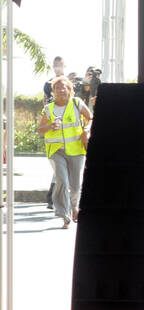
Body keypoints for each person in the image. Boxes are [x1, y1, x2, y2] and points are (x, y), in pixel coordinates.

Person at [37, 76, 92, 230]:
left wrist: (86, 130)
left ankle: (75, 208)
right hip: (56, 151)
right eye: (57, 88)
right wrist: (50, 126)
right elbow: (40, 131)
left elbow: (91, 118)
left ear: (69, 89)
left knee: (75, 186)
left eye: (64, 87)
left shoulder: (77, 103)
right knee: (62, 181)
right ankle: (64, 214)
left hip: (76, 150)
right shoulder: (48, 109)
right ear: (53, 92)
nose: (61, 90)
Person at [42, 57, 65, 210]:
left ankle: (53, 198)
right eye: (55, 65)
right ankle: (53, 198)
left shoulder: (69, 82)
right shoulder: (47, 84)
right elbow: (44, 102)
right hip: (54, 133)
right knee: (58, 167)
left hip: (68, 135)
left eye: (60, 65)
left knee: (61, 169)